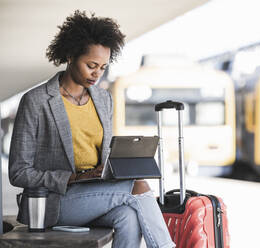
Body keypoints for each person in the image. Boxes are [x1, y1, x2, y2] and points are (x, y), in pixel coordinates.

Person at [9, 10, 175, 248]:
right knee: (138, 187)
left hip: (96, 194)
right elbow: (19, 171)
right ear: (69, 56)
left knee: (128, 217)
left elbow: (105, 152)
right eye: (91, 65)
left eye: (103, 67)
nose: (97, 73)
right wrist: (74, 177)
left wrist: (119, 167)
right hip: (54, 202)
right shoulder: (36, 101)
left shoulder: (103, 99)